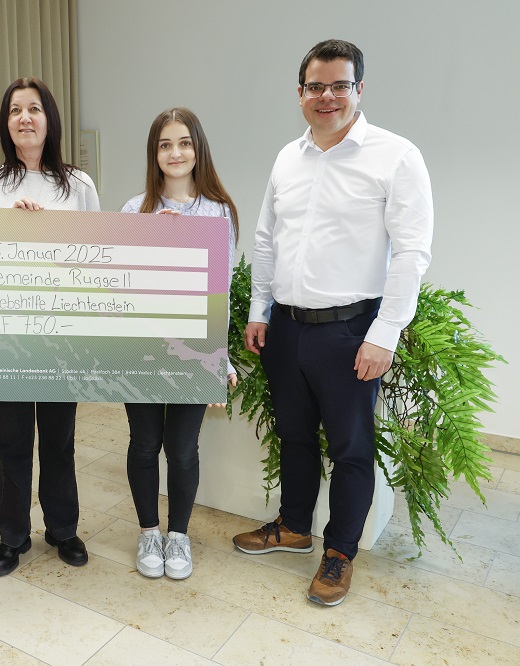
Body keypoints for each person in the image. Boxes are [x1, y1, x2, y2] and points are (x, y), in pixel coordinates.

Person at [232, 39, 433, 606]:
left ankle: (339, 553)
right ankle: (294, 526)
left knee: (350, 450)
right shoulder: (287, 157)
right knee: (294, 436)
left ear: (359, 90)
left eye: (340, 85)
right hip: (287, 328)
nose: (327, 96)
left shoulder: (396, 157)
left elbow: (412, 252)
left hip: (351, 331)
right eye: (316, 86)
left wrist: (384, 334)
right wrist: (260, 311)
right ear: (299, 93)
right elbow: (266, 241)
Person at [0, 76, 101, 576]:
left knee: (60, 439)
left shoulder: (78, 185)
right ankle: (12, 536)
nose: (24, 118)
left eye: (34, 109)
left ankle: (63, 528)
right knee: (12, 439)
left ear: (50, 120)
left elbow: (96, 256)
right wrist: (10, 226)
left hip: (62, 336)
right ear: (6, 123)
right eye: (15, 110)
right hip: (8, 336)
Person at [120, 108, 239, 580]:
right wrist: (155, 241)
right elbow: (122, 286)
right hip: (142, 349)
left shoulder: (219, 211)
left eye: (184, 142)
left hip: (194, 350)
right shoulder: (135, 211)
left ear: (198, 148)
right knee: (144, 444)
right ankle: (149, 531)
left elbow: (220, 291)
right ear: (154, 153)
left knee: (183, 448)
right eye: (165, 144)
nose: (175, 152)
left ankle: (179, 536)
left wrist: (220, 361)